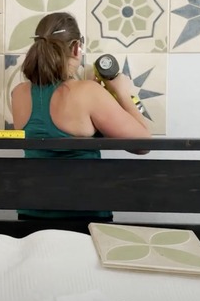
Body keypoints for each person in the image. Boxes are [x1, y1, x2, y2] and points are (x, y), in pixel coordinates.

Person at [10, 12, 151, 221]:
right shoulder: (88, 92)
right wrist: (122, 93)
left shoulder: (19, 93)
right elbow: (144, 144)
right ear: (76, 47)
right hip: (85, 219)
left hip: (31, 218)